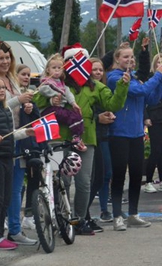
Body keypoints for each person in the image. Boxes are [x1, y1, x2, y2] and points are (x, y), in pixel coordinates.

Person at [34, 45, 129, 236]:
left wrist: (122, 85)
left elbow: (113, 104)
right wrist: (49, 101)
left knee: (84, 182)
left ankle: (78, 220)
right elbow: (36, 102)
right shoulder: (55, 83)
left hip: (86, 139)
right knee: (63, 181)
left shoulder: (94, 86)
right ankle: (61, 219)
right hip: (59, 137)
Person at [0, 42, 36, 245]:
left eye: (8, 57)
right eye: (1, 58)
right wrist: (18, 100)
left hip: (17, 137)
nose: (5, 61)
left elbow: (13, 108)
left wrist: (26, 106)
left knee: (15, 188)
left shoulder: (12, 78)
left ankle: (14, 229)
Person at [105, 44, 162, 231]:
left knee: (137, 175)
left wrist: (159, 83)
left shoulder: (135, 77)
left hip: (137, 133)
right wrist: (158, 75)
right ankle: (116, 216)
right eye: (125, 57)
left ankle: (133, 214)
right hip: (119, 133)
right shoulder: (115, 77)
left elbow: (150, 98)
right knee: (119, 175)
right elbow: (139, 92)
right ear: (117, 59)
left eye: (132, 57)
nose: (130, 60)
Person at [86, 57, 116, 226]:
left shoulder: (104, 89)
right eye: (94, 69)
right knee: (93, 177)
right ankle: (85, 212)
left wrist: (110, 115)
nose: (97, 72)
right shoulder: (85, 89)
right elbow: (84, 115)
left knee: (106, 174)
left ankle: (104, 209)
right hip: (90, 136)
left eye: (100, 70)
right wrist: (98, 118)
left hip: (104, 135)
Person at [14, 64, 43, 233]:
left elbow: (37, 119)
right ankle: (10, 216)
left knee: (33, 179)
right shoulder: (13, 94)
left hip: (30, 145)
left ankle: (29, 216)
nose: (26, 77)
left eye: (28, 75)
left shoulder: (31, 95)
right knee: (17, 184)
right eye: (23, 74)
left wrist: (31, 110)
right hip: (17, 143)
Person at [36, 55, 85, 150]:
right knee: (68, 116)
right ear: (48, 70)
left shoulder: (61, 83)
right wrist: (54, 94)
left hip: (59, 109)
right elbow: (43, 90)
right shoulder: (46, 81)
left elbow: (68, 93)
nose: (57, 70)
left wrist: (73, 103)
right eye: (54, 68)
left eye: (59, 68)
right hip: (48, 110)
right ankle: (75, 137)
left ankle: (76, 137)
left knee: (76, 115)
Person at [142, 49, 162, 194]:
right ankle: (148, 180)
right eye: (159, 62)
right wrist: (146, 116)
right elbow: (145, 99)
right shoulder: (151, 79)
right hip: (154, 117)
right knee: (155, 150)